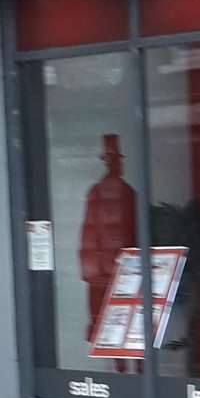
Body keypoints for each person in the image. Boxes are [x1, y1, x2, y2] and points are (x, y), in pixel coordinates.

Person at [79, 134, 136, 370]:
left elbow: (87, 235)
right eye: (117, 161)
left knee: (110, 325)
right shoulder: (126, 193)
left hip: (102, 275)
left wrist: (90, 270)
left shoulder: (97, 192)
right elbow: (135, 233)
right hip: (118, 272)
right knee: (124, 324)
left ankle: (118, 374)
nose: (119, 165)